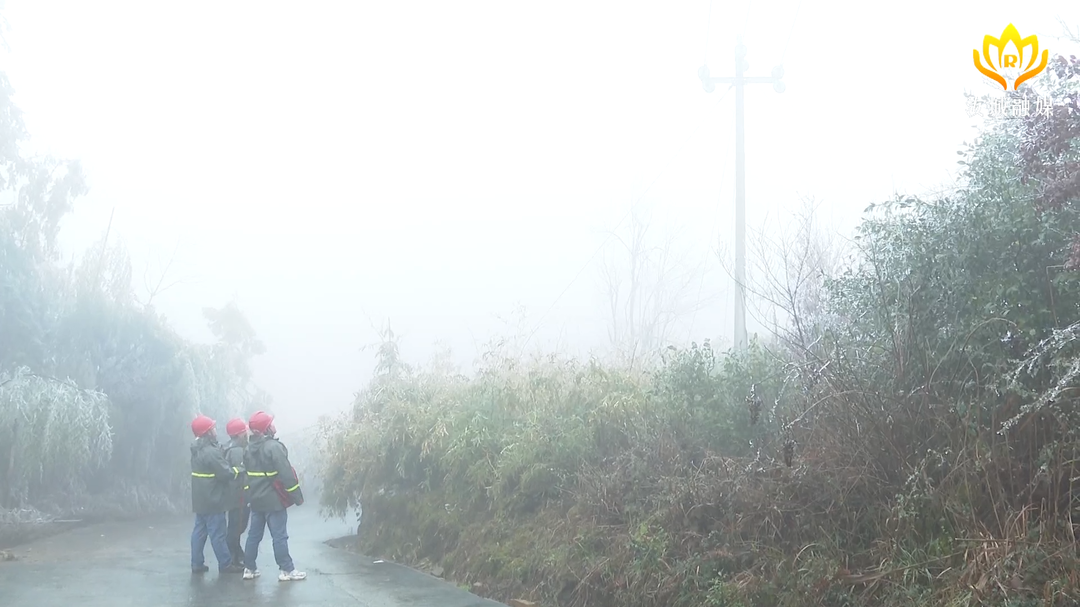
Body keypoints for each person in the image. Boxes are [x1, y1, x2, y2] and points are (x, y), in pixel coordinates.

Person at [242, 410, 307, 582]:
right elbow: (286, 474)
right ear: (266, 428)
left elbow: (247, 476)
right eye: (270, 423)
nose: (273, 425)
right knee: (279, 536)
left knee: (253, 535)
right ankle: (287, 570)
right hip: (273, 501)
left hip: (256, 501)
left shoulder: (248, 449)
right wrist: (297, 497)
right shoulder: (274, 447)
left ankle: (249, 568)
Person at [190, 414, 245, 574]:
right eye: (212, 428)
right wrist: (240, 469)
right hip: (213, 500)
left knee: (199, 533)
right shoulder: (211, 452)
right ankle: (226, 564)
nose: (215, 430)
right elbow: (226, 473)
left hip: (200, 500)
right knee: (218, 534)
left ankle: (196, 563)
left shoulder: (197, 450)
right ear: (207, 432)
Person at [223, 418, 250, 569]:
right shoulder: (237, 451)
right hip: (239, 495)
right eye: (244, 431)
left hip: (233, 494)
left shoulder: (229, 447)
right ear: (239, 434)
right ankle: (233, 557)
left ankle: (236, 553)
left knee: (235, 525)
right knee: (238, 526)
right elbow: (242, 473)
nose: (247, 433)